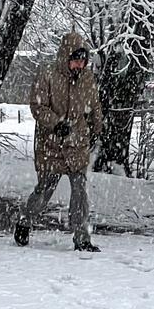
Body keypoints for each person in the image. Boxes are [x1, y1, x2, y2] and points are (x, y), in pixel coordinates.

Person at [14, 31, 102, 252]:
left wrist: (96, 130)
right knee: (44, 189)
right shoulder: (48, 75)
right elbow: (37, 106)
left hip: (77, 144)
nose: (79, 65)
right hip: (51, 145)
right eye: (75, 60)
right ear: (65, 57)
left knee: (80, 190)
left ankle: (81, 237)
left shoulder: (87, 79)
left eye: (83, 61)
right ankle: (25, 221)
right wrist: (55, 123)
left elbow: (94, 108)